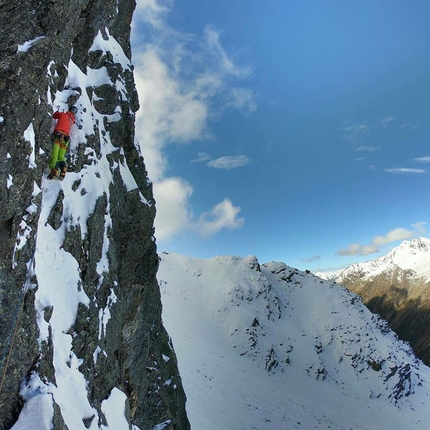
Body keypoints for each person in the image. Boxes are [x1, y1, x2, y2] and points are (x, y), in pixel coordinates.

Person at [48, 106, 77, 180]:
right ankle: (63, 170)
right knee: (61, 156)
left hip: (58, 136)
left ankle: (54, 171)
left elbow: (55, 115)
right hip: (66, 139)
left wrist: (58, 112)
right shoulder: (72, 120)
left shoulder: (63, 114)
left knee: (55, 154)